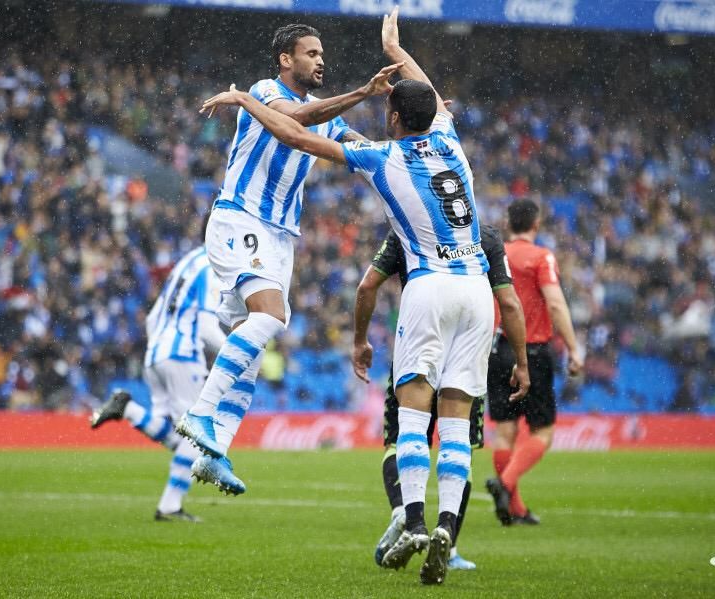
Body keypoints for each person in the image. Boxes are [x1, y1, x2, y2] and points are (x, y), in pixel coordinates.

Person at [199, 6, 499, 585]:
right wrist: (395, 47)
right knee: (458, 422)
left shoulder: (385, 155)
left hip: (431, 285)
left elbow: (289, 131)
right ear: (433, 113)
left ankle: (412, 517)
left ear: (391, 116)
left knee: (413, 416)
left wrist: (242, 100)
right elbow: (427, 94)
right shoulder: (450, 140)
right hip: (478, 289)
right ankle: (446, 528)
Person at [175, 23, 400, 494]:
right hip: (242, 218)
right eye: (311, 53)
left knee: (253, 344)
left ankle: (214, 453)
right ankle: (199, 412)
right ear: (285, 59)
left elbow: (353, 141)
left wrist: (406, 148)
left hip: (280, 237)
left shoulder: (330, 118)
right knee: (272, 318)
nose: (321, 61)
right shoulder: (263, 92)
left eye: (322, 54)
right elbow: (299, 118)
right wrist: (363, 90)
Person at [353, 225, 529, 571]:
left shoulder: (406, 225)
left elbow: (368, 284)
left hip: (420, 334)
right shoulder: (486, 235)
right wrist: (522, 361)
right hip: (471, 335)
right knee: (457, 438)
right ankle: (447, 538)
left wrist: (360, 340)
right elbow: (508, 301)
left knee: (402, 436)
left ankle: (408, 515)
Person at [91, 245, 225, 521]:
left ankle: (127, 408)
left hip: (156, 354)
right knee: (196, 436)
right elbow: (207, 328)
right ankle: (169, 506)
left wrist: (160, 349)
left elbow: (153, 318)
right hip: (182, 354)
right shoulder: (211, 266)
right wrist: (237, 360)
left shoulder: (185, 263)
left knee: (177, 439)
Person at [485, 199, 583, 525]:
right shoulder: (542, 257)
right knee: (542, 432)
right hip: (532, 350)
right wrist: (573, 347)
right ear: (535, 225)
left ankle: (515, 508)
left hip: (498, 348)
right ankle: (505, 484)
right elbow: (555, 304)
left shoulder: (494, 255)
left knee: (504, 432)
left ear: (508, 222)